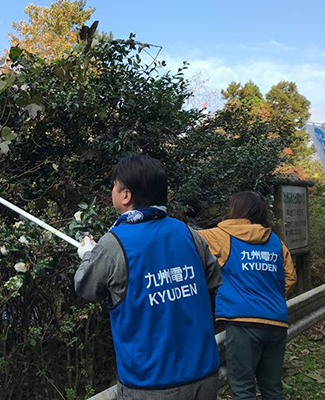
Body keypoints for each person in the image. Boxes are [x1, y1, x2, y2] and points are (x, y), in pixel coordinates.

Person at [74, 155, 222, 400]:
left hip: (150, 385)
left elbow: (86, 286)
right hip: (203, 375)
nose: (112, 190)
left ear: (126, 196)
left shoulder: (115, 243)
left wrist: (89, 254)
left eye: (114, 185)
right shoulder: (188, 233)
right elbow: (213, 278)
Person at [198, 191, 297, 400]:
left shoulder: (222, 236)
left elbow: (189, 239)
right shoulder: (275, 242)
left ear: (236, 209)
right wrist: (269, 298)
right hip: (276, 322)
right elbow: (290, 277)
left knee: (243, 390)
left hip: (243, 324)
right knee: (272, 387)